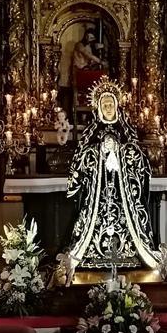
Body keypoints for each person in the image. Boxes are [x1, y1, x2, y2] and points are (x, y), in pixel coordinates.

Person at [65, 77, 158, 272]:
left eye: (111, 104)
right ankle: (91, 252)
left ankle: (130, 251)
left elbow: (140, 158)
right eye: (104, 104)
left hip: (123, 195)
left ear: (117, 106)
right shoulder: (91, 131)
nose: (108, 107)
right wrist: (100, 150)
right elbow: (80, 158)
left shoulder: (127, 130)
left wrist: (119, 150)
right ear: (98, 107)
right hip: (96, 197)